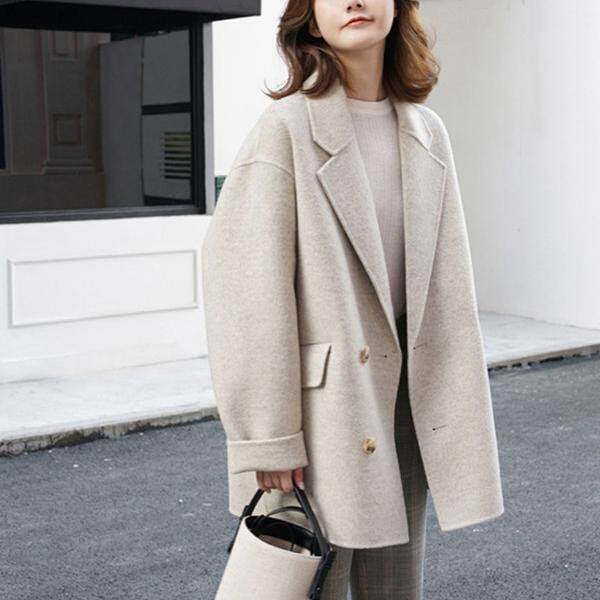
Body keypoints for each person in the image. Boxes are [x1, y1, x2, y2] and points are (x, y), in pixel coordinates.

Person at [202, 1, 505, 599]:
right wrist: (269, 435)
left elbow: (449, 288)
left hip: (404, 407)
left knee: (395, 588)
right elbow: (244, 291)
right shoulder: (285, 129)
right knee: (315, 584)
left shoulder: (427, 132)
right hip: (322, 414)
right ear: (311, 21)